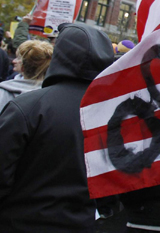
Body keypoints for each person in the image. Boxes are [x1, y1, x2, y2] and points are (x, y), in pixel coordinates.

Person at [0, 23, 115, 231]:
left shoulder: (27, 108)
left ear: (60, 55)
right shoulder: (114, 115)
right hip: (83, 223)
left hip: (21, 223)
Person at [0, 40, 53, 112]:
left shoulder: (4, 92)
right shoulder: (53, 96)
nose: (14, 61)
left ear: (23, 66)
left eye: (18, 58)